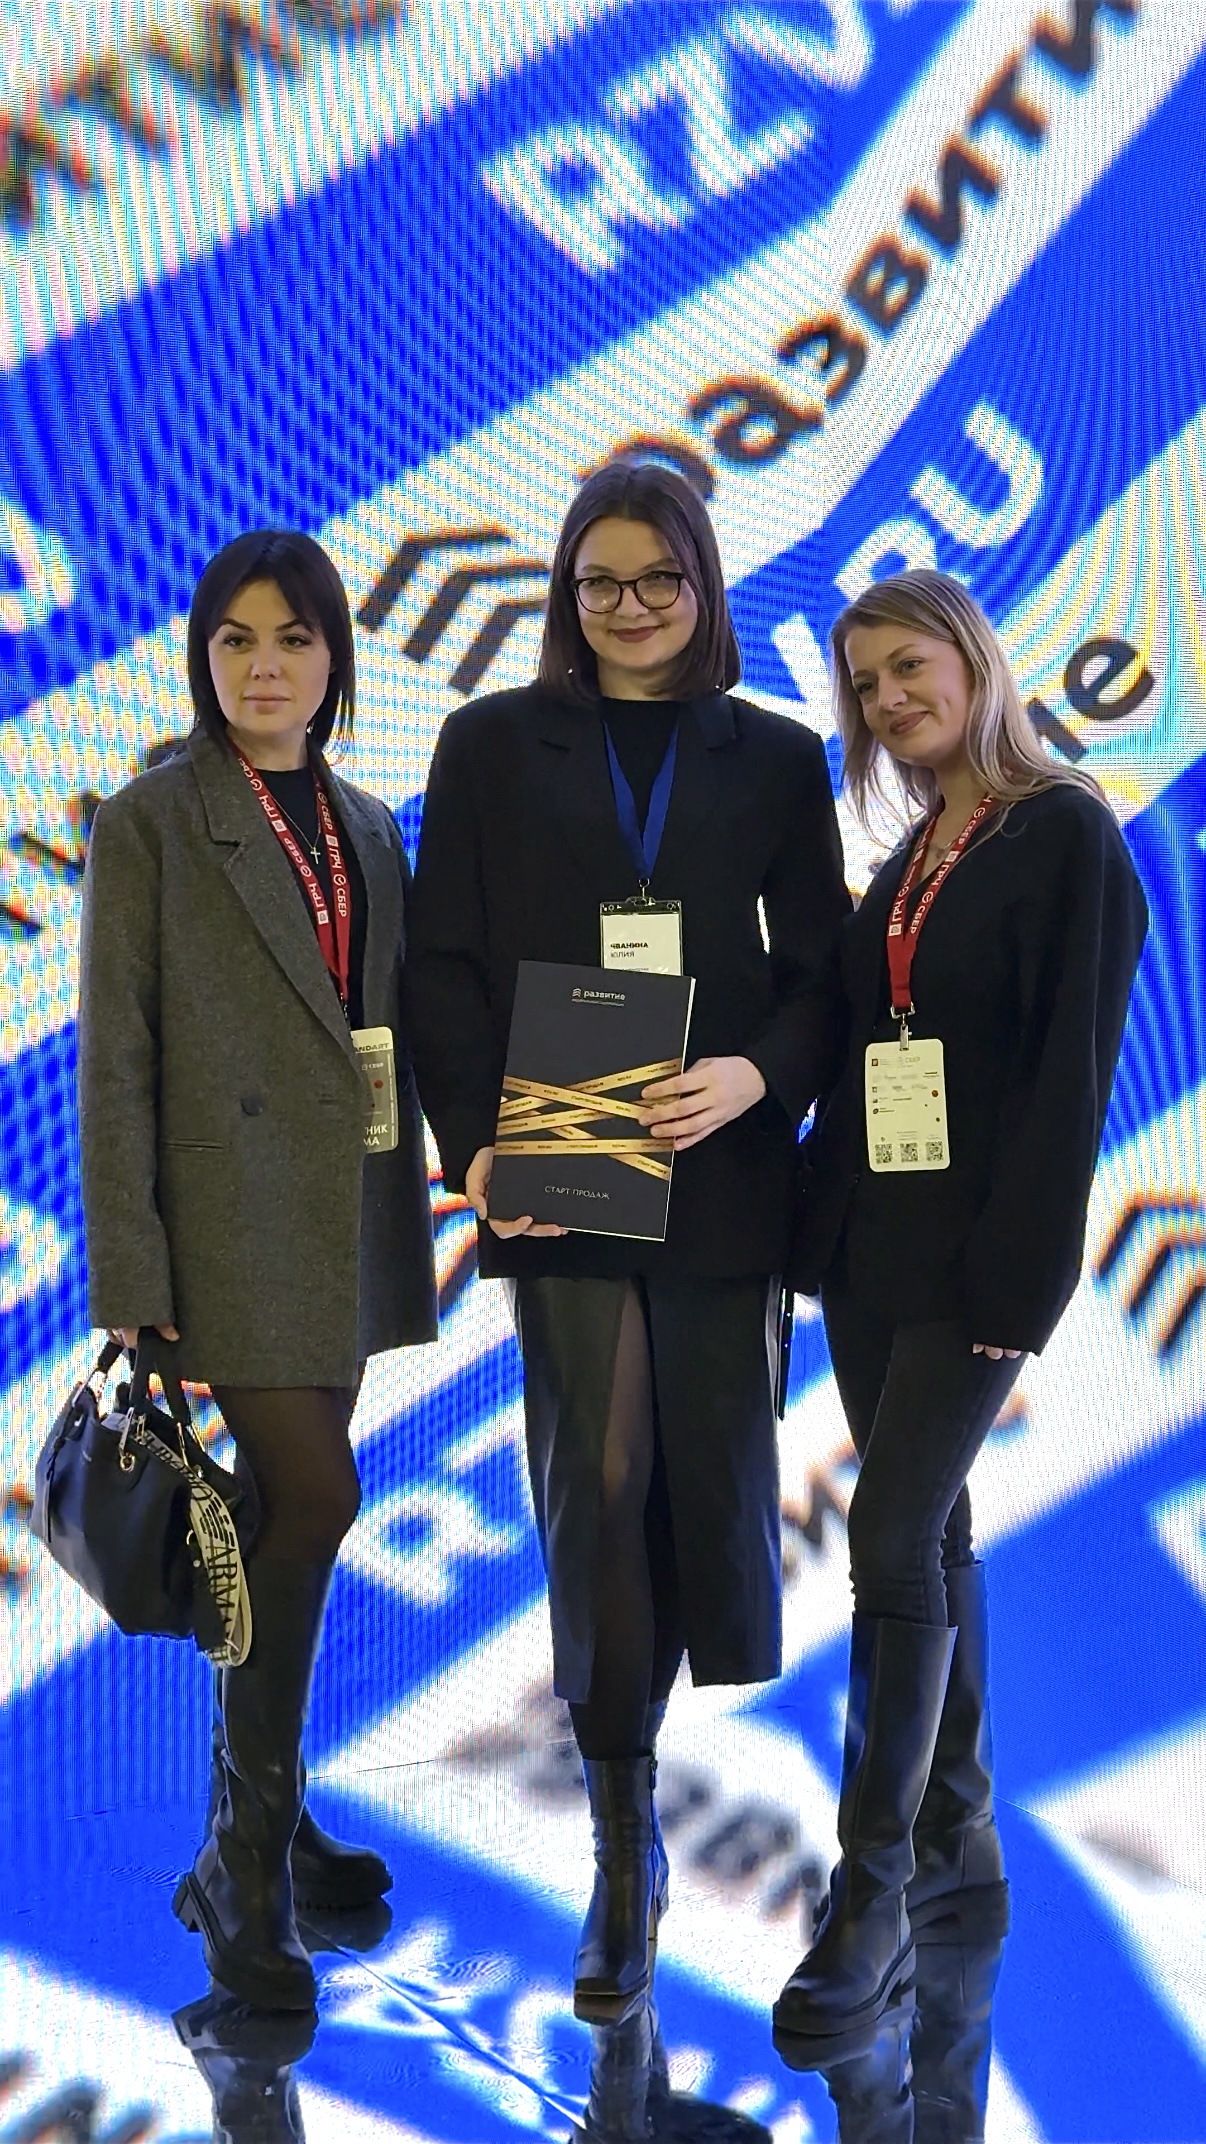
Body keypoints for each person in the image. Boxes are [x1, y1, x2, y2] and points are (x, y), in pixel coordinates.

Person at [406, 461, 850, 2022]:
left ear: (703, 587)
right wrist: (478, 1148)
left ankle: (632, 1783)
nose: (630, 606)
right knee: (593, 1483)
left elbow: (823, 978)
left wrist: (757, 1078)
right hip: (561, 1151)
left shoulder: (775, 757)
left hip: (715, 1158)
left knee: (690, 1492)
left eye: (658, 579)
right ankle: (618, 1847)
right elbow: (442, 965)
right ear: (564, 594)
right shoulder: (486, 742)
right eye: (599, 582)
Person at [773, 569, 1148, 2043]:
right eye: (864, 684)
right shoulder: (916, 850)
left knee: (886, 1536)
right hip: (873, 1249)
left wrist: (1023, 1272)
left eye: (907, 667)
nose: (888, 700)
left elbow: (1068, 1081)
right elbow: (869, 1044)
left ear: (972, 661)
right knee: (931, 1531)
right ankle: (959, 1843)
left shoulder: (1064, 833)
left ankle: (867, 1895)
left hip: (977, 1261)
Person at [77, 529, 437, 2011]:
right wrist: (130, 1268)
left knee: (289, 1514)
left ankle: (259, 1825)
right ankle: (245, 1862)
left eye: (293, 638)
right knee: (317, 1496)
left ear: (336, 657)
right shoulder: (154, 820)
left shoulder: (367, 822)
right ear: (201, 657)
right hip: (221, 1229)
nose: (265, 666)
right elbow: (117, 1061)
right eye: (236, 640)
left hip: (342, 1215)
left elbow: (385, 1028)